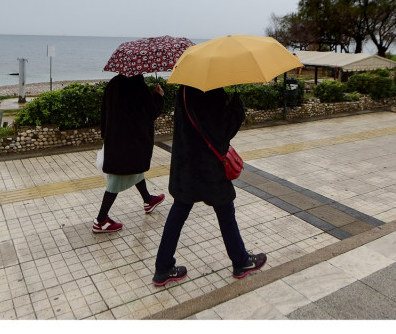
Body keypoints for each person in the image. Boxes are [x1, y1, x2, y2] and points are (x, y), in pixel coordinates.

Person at [152, 85, 267, 286]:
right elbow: (222, 131)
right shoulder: (210, 91)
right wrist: (237, 109)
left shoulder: (186, 87)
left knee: (179, 213)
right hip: (208, 167)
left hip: (186, 165)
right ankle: (241, 261)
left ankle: (163, 267)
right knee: (226, 214)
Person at [93, 73, 166, 233]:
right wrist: (158, 96)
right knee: (116, 180)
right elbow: (151, 112)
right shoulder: (138, 85)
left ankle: (148, 200)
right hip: (132, 142)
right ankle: (100, 220)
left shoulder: (113, 83)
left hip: (115, 140)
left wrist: (105, 135)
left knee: (135, 170)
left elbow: (104, 110)